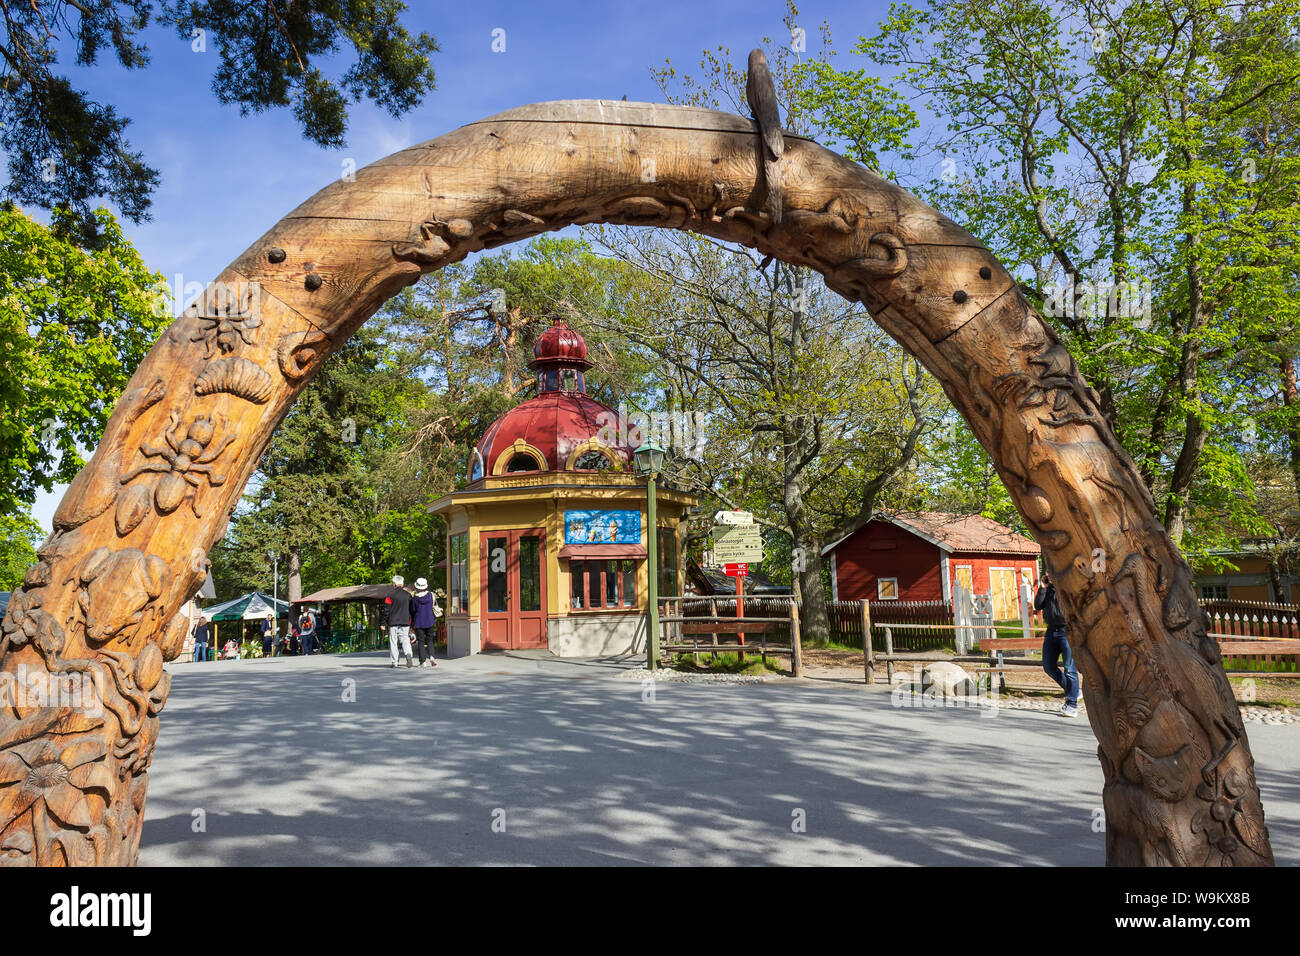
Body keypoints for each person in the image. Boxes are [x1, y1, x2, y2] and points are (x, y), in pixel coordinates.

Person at [1035, 570, 1079, 717]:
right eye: (1047, 573)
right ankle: (1074, 691)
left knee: (1069, 668)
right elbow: (1038, 605)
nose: (1049, 575)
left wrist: (1058, 586)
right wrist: (1042, 587)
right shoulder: (1046, 589)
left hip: (1066, 631)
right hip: (1051, 631)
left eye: (1051, 572)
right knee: (1048, 666)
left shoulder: (1067, 586)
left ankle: (1072, 704)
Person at [383, 574, 414, 668]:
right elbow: (411, 610)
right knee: (405, 640)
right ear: (402, 583)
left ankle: (395, 662)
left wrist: (382, 622)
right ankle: (408, 654)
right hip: (405, 622)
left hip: (393, 622)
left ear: (394, 584)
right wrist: (411, 621)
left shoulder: (389, 596)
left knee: (393, 641)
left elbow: (386, 610)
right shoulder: (408, 595)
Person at [410, 577, 441, 668]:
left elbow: (413, 610)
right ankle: (432, 656)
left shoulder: (415, 598)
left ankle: (422, 661)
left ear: (417, 587)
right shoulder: (430, 595)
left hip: (419, 622)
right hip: (429, 620)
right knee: (430, 640)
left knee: (421, 642)